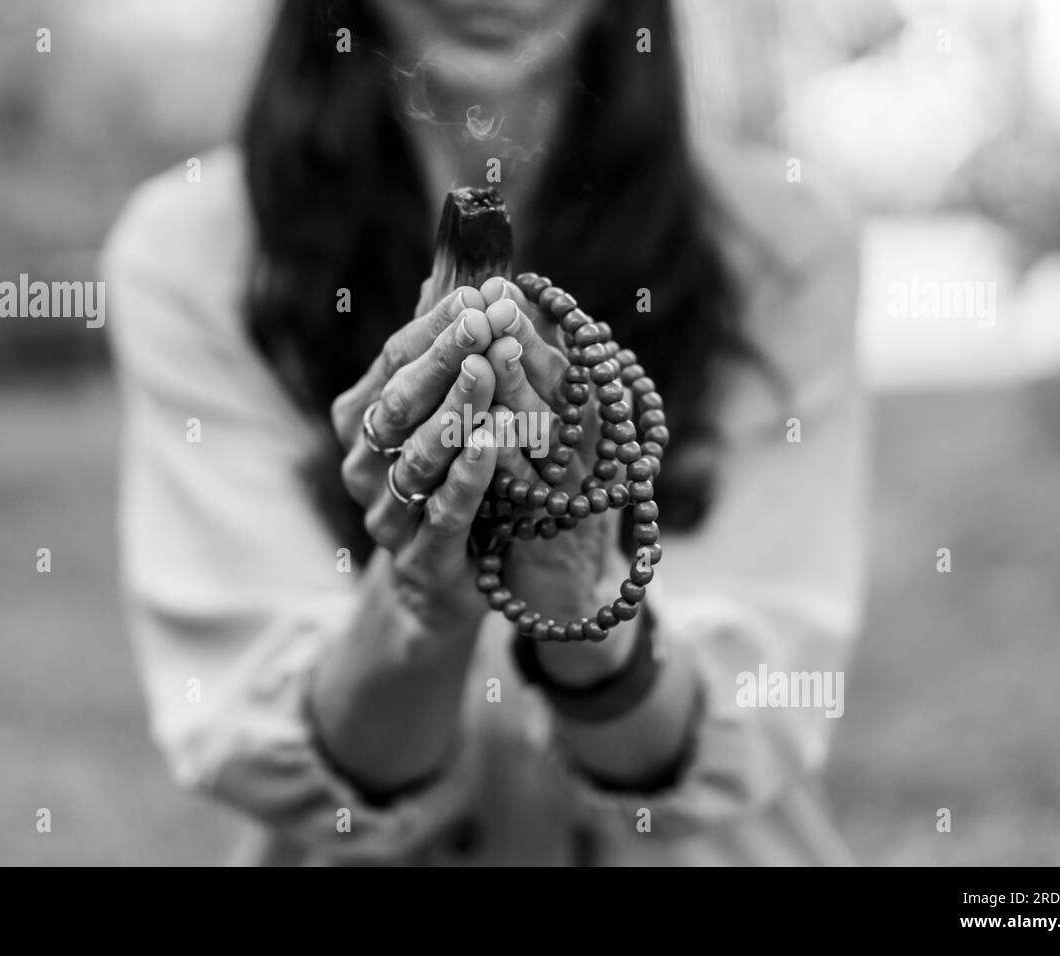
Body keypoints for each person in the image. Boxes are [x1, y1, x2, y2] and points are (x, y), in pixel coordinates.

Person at [103, 0, 867, 865]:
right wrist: (421, 603)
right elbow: (282, 746)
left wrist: (580, 608)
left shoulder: (782, 245)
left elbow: (750, 712)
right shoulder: (193, 253)